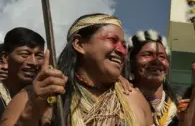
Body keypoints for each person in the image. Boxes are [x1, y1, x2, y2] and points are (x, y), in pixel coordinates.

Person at [0, 13, 153, 125]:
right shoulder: (34, 97)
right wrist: (31, 113)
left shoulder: (135, 99)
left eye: (124, 45)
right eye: (113, 40)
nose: (121, 50)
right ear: (79, 44)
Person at [127, 29, 178, 126]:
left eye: (162, 56)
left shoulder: (179, 110)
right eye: (147, 54)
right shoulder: (118, 101)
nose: (156, 61)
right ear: (131, 62)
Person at [0, 28, 45, 114]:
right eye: (24, 54)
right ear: (5, 57)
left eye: (39, 56)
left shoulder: (47, 98)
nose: (33, 62)